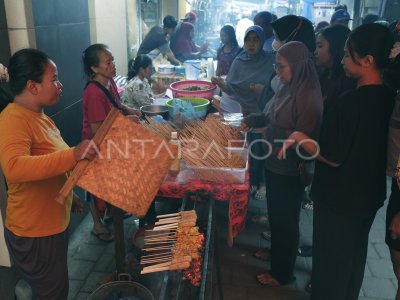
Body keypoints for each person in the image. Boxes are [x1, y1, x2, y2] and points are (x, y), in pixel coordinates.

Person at [278, 23, 396, 300]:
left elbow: (332, 156)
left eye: (347, 55)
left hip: (340, 199)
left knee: (330, 267)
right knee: (353, 259)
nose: (342, 61)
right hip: (369, 195)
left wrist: (298, 137)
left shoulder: (351, 102)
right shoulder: (389, 97)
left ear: (367, 61)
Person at [0, 48, 97, 300]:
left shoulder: (41, 117)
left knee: (51, 287)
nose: (59, 84)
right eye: (53, 79)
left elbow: (49, 166)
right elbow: (15, 167)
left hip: (50, 225)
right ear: (32, 86)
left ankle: (29, 288)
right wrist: (73, 155)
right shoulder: (13, 119)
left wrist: (70, 196)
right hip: (35, 231)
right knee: (54, 292)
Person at [242, 41, 323, 286]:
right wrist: (253, 120)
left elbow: (306, 141)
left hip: (290, 169)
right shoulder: (288, 88)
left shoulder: (308, 97)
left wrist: (274, 136)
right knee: (277, 216)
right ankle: (277, 255)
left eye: (281, 66)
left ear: (297, 67)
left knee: (286, 221)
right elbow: (271, 117)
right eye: (276, 65)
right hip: (275, 163)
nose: (276, 71)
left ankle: (282, 274)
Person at [82, 43, 141, 242]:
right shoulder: (93, 93)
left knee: (108, 182)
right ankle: (97, 226)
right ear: (94, 68)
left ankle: (110, 212)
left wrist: (128, 110)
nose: (113, 65)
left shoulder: (109, 81)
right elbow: (97, 130)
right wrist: (126, 124)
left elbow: (116, 102)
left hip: (111, 141)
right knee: (94, 185)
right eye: (108, 62)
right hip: (95, 144)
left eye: (113, 60)